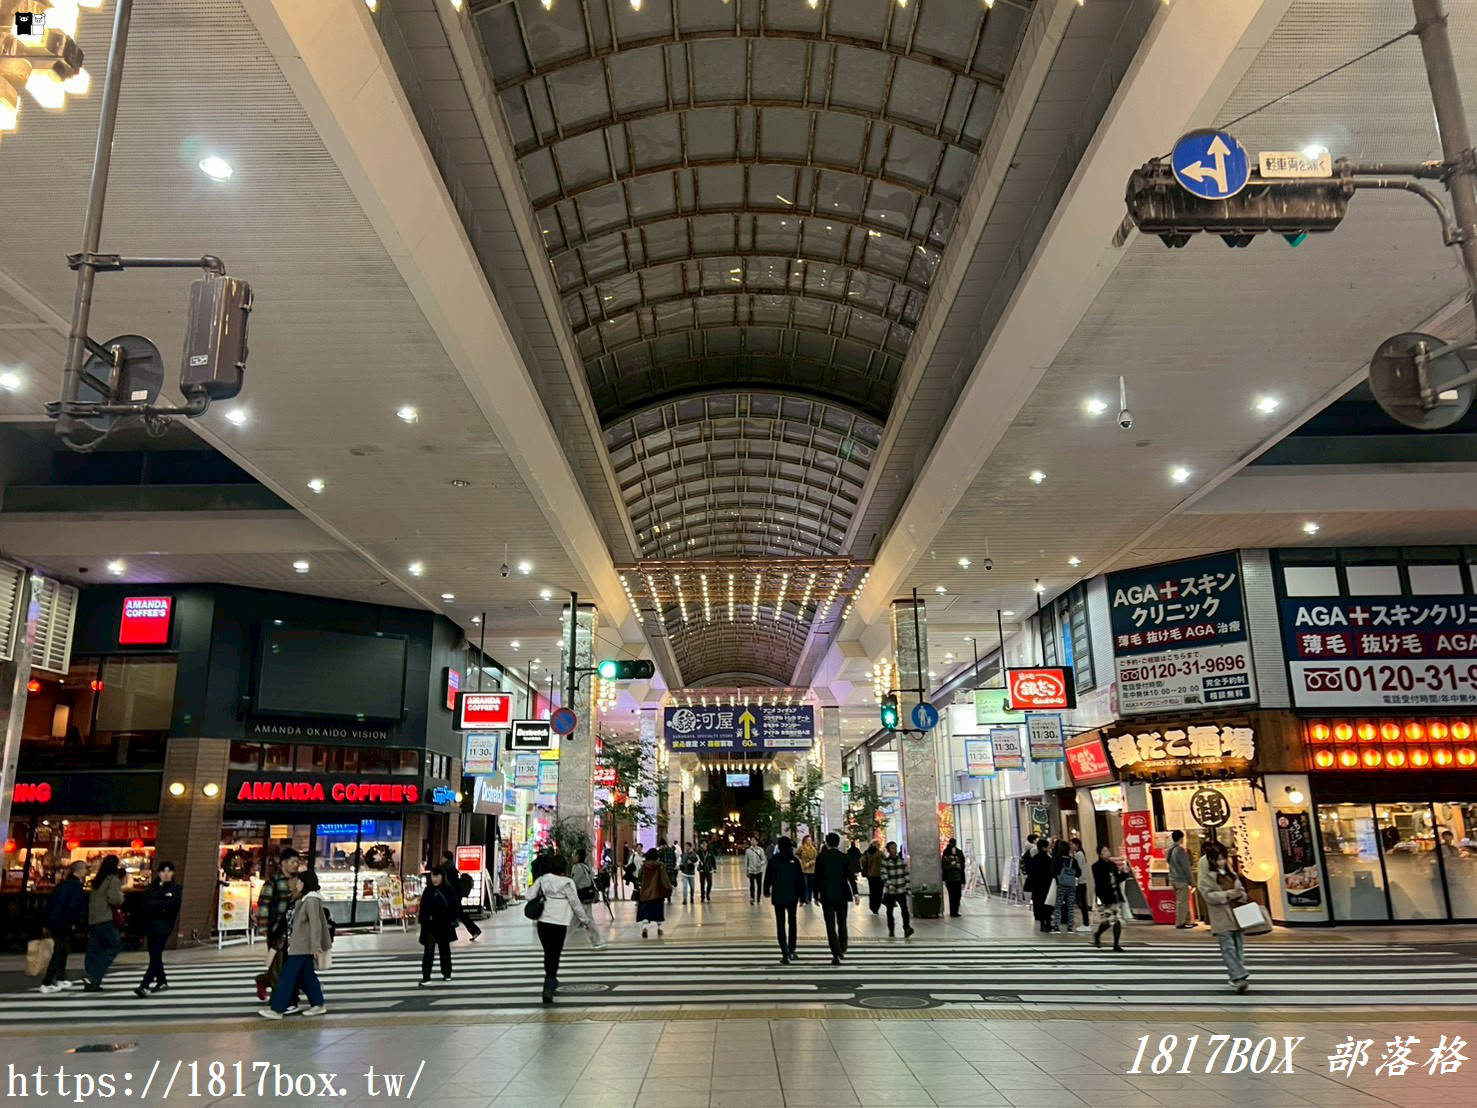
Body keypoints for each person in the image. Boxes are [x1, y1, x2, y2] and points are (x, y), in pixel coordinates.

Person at [260, 870, 331, 1018]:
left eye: (299, 881)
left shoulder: (311, 900)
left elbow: (315, 925)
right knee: (307, 977)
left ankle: (277, 1009)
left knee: (287, 976)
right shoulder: (302, 899)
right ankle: (318, 1004)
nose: (296, 884)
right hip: (299, 945)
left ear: (305, 883)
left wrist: (315, 946)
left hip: (303, 946)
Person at [526, 854, 597, 1003]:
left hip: (543, 922)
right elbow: (575, 903)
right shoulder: (567, 882)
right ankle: (550, 982)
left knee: (548, 952)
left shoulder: (543, 879)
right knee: (555, 953)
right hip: (560, 923)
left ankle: (550, 980)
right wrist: (585, 920)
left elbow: (528, 896)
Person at [1198, 840, 1250, 992]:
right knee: (1228, 947)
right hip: (1221, 915)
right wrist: (1227, 894)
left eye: (1223, 858)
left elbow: (1239, 886)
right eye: (1218, 859)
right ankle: (1238, 976)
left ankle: (1236, 975)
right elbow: (1207, 895)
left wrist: (1241, 894)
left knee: (1238, 946)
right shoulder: (1207, 874)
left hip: (1237, 914)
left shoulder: (1229, 871)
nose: (1221, 862)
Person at [254, 848, 302, 1002]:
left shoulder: (299, 882)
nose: (296, 865)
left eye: (297, 862)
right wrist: (263, 928)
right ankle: (279, 998)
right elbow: (264, 904)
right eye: (293, 862)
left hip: (295, 931)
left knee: (290, 966)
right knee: (278, 965)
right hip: (277, 930)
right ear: (283, 863)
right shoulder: (273, 882)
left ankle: (266, 981)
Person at [39, 860, 87, 994]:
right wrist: (75, 922)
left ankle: (61, 978)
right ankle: (47, 982)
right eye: (84, 869)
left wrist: (46, 923)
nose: (86, 872)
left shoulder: (63, 885)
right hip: (65, 922)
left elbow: (51, 904)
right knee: (60, 951)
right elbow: (75, 907)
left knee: (62, 950)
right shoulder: (76, 886)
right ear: (80, 870)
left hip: (55, 921)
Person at [135, 861, 181, 997]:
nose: (166, 874)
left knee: (155, 953)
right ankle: (162, 980)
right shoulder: (152, 888)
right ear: (159, 873)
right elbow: (146, 904)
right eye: (163, 871)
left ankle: (145, 984)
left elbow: (172, 905)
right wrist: (161, 903)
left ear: (172, 873)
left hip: (165, 926)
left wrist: (157, 903)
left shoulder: (176, 888)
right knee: (154, 954)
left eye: (169, 871)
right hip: (151, 925)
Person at [82, 855, 125, 991]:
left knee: (95, 950)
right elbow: (115, 899)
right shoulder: (112, 880)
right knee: (113, 947)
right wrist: (122, 896)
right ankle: (94, 976)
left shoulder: (97, 881)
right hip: (106, 919)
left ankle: (91, 979)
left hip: (94, 920)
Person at [813, 832, 854, 964]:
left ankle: (835, 953)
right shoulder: (844, 857)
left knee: (830, 925)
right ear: (837, 843)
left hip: (827, 894)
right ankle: (842, 947)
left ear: (827, 843)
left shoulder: (821, 857)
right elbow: (850, 876)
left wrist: (815, 894)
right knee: (842, 922)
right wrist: (856, 893)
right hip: (842, 894)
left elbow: (817, 877)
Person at [763, 836, 804, 964]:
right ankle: (792, 950)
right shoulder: (794, 860)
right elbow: (800, 879)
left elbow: (768, 877)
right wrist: (802, 896)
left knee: (780, 924)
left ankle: (784, 953)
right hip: (792, 895)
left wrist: (766, 891)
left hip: (778, 895)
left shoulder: (774, 860)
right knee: (792, 922)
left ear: (779, 847)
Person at [417, 868, 458, 985]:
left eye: (437, 876)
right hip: (430, 925)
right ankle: (426, 976)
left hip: (444, 924)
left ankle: (447, 973)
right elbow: (423, 907)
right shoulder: (428, 890)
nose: (434, 879)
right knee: (428, 951)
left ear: (442, 877)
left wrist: (450, 919)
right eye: (432, 876)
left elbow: (454, 906)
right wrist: (424, 919)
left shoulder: (448, 889)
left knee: (444, 950)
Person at [1090, 845, 1130, 952]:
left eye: (1108, 850)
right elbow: (1099, 883)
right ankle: (1098, 934)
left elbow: (1118, 879)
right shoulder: (1096, 866)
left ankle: (1116, 944)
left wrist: (1125, 874)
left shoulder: (1113, 865)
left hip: (1115, 895)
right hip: (1104, 896)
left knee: (1116, 920)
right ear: (1100, 854)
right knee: (1108, 920)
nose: (1108, 852)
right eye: (1105, 851)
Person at [439, 851, 481, 940]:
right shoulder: (451, 867)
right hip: (455, 896)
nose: (442, 859)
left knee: (445, 915)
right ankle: (474, 930)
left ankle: (442, 936)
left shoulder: (446, 869)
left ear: (446, 858)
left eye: (443, 857)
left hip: (451, 897)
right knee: (459, 914)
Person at [880, 840, 915, 939]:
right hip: (890, 892)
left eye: (895, 848)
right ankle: (891, 929)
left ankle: (907, 928)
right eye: (892, 848)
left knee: (904, 910)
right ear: (888, 850)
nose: (894, 850)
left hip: (901, 890)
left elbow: (906, 875)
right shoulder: (885, 862)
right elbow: (884, 875)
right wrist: (889, 885)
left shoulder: (902, 861)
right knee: (889, 911)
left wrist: (908, 888)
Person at [637, 848, 672, 938]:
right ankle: (659, 928)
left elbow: (639, 875)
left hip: (645, 892)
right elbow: (665, 878)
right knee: (657, 911)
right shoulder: (660, 866)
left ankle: (645, 926)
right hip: (657, 892)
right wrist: (668, 887)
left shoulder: (644, 866)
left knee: (645, 911)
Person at [1023, 837, 1055, 933]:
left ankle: (1041, 922)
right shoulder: (1048, 859)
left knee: (1038, 903)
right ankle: (1047, 922)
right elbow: (1051, 872)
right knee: (1047, 903)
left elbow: (1031, 872)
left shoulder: (1035, 859)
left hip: (1037, 886)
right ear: (1044, 848)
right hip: (1046, 885)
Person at [1167, 830, 1194, 929]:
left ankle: (1188, 920)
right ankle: (1180, 922)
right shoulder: (1179, 850)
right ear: (1181, 838)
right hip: (1181, 879)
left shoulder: (1170, 850)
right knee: (1182, 902)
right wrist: (1192, 881)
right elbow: (1186, 867)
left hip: (1173, 879)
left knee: (1183, 900)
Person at [1051, 840, 1079, 932]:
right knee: (1070, 905)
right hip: (1071, 885)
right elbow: (1079, 872)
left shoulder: (1057, 859)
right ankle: (1070, 926)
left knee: (1058, 905)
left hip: (1061, 884)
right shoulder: (1072, 860)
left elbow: (1052, 871)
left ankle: (1056, 926)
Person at [940, 839, 966, 917]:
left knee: (954, 895)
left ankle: (954, 911)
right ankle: (954, 911)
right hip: (953, 878)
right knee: (955, 895)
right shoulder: (950, 852)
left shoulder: (955, 852)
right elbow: (962, 865)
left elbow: (962, 865)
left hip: (952, 878)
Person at [1071, 837, 1090, 930]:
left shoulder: (1078, 854)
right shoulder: (1081, 853)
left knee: (1081, 902)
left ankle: (1086, 923)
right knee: (1081, 902)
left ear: (1077, 845)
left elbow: (1077, 868)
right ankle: (1086, 923)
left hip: (1080, 881)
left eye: (1072, 844)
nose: (1071, 846)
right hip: (1082, 880)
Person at [796, 835, 818, 907]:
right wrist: (800, 860)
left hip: (811, 869)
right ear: (805, 840)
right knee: (804, 884)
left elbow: (816, 858)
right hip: (804, 869)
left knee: (810, 885)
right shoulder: (801, 848)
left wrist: (811, 862)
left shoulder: (814, 849)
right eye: (808, 840)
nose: (809, 841)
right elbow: (796, 854)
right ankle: (804, 899)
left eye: (810, 840)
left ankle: (809, 898)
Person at [862, 842, 884, 913]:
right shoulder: (880, 853)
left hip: (870, 875)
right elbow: (884, 862)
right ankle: (876, 906)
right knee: (879, 892)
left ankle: (872, 907)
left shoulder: (867, 853)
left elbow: (862, 861)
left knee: (872, 891)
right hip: (879, 875)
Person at [744, 837, 767, 904]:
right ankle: (752, 898)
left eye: (754, 840)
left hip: (759, 870)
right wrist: (746, 871)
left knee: (759, 885)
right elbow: (746, 862)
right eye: (751, 840)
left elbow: (764, 859)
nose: (752, 841)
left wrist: (761, 864)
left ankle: (758, 898)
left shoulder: (760, 850)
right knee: (752, 885)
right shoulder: (748, 851)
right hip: (751, 870)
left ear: (757, 842)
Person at [657, 839, 678, 904]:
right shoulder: (660, 851)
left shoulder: (671, 851)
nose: (662, 847)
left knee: (669, 884)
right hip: (663, 871)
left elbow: (674, 859)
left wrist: (674, 867)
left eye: (662, 845)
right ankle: (663, 897)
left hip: (670, 869)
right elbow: (658, 859)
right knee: (662, 884)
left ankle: (668, 897)